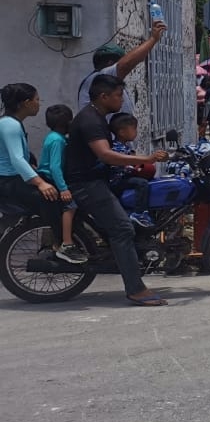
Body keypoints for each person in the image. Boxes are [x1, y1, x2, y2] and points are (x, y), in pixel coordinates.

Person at [64, 74, 169, 306]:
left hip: (97, 180)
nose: (122, 100)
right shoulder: (91, 120)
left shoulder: (98, 117)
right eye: (118, 95)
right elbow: (105, 154)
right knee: (122, 229)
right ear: (104, 97)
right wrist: (146, 158)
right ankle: (135, 289)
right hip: (87, 185)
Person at [0, 84, 82, 262]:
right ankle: (63, 244)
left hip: (14, 178)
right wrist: (40, 183)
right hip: (8, 182)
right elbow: (16, 159)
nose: (39, 103)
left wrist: (34, 172)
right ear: (26, 103)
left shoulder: (12, 123)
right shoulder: (10, 125)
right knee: (54, 199)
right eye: (37, 100)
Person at [75, 19, 166, 115]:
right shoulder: (100, 78)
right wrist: (153, 39)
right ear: (110, 63)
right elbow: (125, 65)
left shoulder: (106, 81)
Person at [36, 103, 88, 264]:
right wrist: (63, 188)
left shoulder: (54, 137)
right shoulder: (57, 141)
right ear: (65, 123)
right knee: (70, 206)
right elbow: (54, 167)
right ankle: (67, 243)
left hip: (53, 178)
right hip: (51, 179)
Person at [107, 113, 156, 229]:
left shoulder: (126, 147)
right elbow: (119, 164)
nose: (136, 132)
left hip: (124, 178)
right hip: (117, 180)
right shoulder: (117, 147)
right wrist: (135, 168)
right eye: (134, 129)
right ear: (122, 132)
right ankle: (139, 213)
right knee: (142, 183)